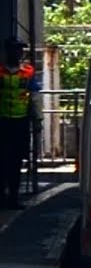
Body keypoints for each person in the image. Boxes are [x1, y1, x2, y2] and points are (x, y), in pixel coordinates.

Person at [0, 37, 39, 209]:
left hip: (20, 121)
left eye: (20, 50)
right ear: (7, 51)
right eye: (15, 50)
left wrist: (37, 119)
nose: (19, 53)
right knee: (2, 160)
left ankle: (13, 198)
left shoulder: (28, 72)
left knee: (16, 160)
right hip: (2, 121)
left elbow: (35, 97)